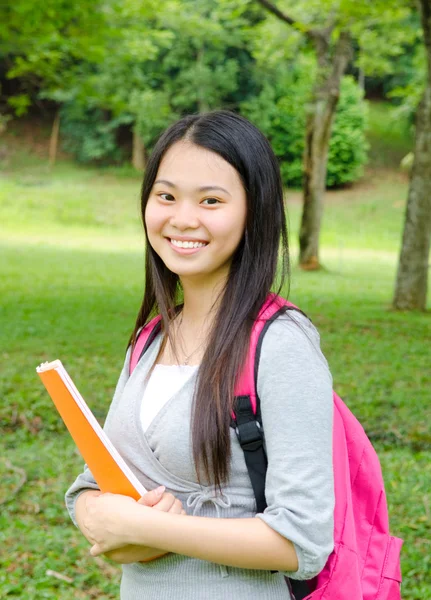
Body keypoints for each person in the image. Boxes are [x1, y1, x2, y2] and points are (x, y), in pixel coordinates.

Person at [65, 110, 334, 600]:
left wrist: (147, 530)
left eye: (211, 200)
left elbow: (303, 540)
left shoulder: (282, 342)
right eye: (166, 196)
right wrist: (98, 515)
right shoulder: (150, 338)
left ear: (255, 211)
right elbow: (95, 483)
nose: (182, 219)